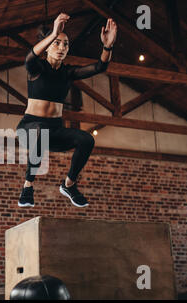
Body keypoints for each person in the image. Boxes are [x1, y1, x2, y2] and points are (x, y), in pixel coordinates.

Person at [16, 13, 117, 208]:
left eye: (65, 44)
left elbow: (100, 67)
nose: (62, 48)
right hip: (29, 128)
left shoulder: (68, 73)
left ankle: (69, 185)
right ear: (47, 45)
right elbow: (29, 57)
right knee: (39, 131)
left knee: (86, 139)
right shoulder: (37, 69)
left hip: (55, 131)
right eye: (57, 43)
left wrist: (108, 45)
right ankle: (28, 186)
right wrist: (54, 32)